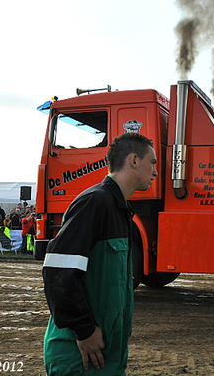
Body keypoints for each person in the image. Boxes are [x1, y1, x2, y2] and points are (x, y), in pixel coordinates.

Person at [43, 133, 157, 375]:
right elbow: (57, 273)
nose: (155, 172)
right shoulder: (95, 202)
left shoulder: (119, 208)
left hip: (105, 358)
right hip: (79, 356)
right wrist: (84, 329)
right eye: (153, 162)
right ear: (134, 160)